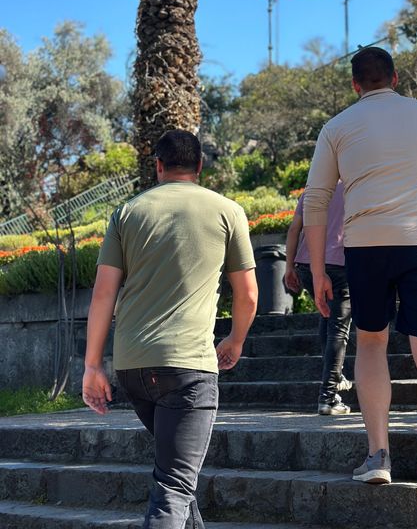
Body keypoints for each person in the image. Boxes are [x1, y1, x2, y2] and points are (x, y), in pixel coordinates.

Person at [302, 47, 417, 529]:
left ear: (356, 85)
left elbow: (316, 200)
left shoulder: (337, 127)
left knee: (372, 342)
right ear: (395, 78)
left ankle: (378, 456)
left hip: (366, 248)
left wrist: (318, 270)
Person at [82, 129, 258, 529]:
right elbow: (247, 294)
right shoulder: (226, 210)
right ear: (199, 166)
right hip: (188, 369)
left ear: (158, 167)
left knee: (178, 480)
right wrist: (235, 339)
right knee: (174, 489)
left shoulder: (127, 213)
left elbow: (103, 295)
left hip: (133, 369)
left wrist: (93, 366)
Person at [285, 181, 353, 415]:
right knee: (338, 327)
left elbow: (295, 229)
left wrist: (289, 267)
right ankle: (328, 396)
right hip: (339, 263)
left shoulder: (314, 188)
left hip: (306, 264)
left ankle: (335, 377)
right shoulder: (356, 186)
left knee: (326, 317)